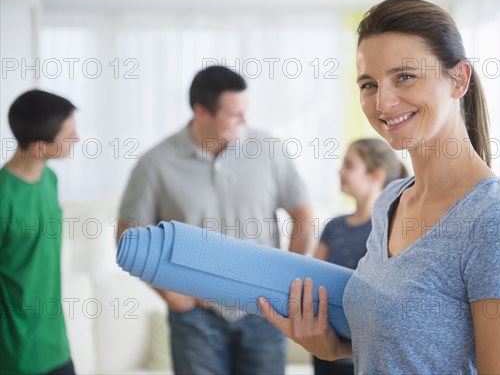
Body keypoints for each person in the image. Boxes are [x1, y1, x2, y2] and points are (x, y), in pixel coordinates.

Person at [259, 0, 500, 374]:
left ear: (459, 78)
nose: (383, 101)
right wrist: (335, 347)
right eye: (368, 84)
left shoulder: (498, 228)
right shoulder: (390, 201)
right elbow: (408, 345)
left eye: (405, 76)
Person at [117, 66, 312, 374]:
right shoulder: (155, 163)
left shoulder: (269, 150)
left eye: (244, 111)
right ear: (201, 112)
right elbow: (128, 235)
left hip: (264, 312)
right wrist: (168, 292)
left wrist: (286, 282)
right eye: (234, 115)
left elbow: (302, 214)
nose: (244, 121)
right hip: (195, 319)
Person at [312, 138, 407, 375]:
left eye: (349, 165)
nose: (340, 170)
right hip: (324, 349)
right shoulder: (334, 226)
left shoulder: (389, 230)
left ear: (375, 175)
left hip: (364, 357)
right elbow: (311, 278)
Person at [1, 90, 79, 375]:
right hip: (16, 356)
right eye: (68, 135)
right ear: (37, 147)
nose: (77, 139)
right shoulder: (3, 197)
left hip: (56, 346)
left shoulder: (50, 179)